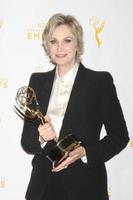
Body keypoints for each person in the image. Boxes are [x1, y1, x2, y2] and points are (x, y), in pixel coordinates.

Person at [21, 13, 129, 200]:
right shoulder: (37, 82)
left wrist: (85, 152)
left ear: (78, 44)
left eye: (67, 40)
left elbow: (119, 136)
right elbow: (27, 142)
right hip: (42, 188)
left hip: (85, 187)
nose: (60, 47)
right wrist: (39, 137)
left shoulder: (99, 82)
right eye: (53, 41)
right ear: (47, 45)